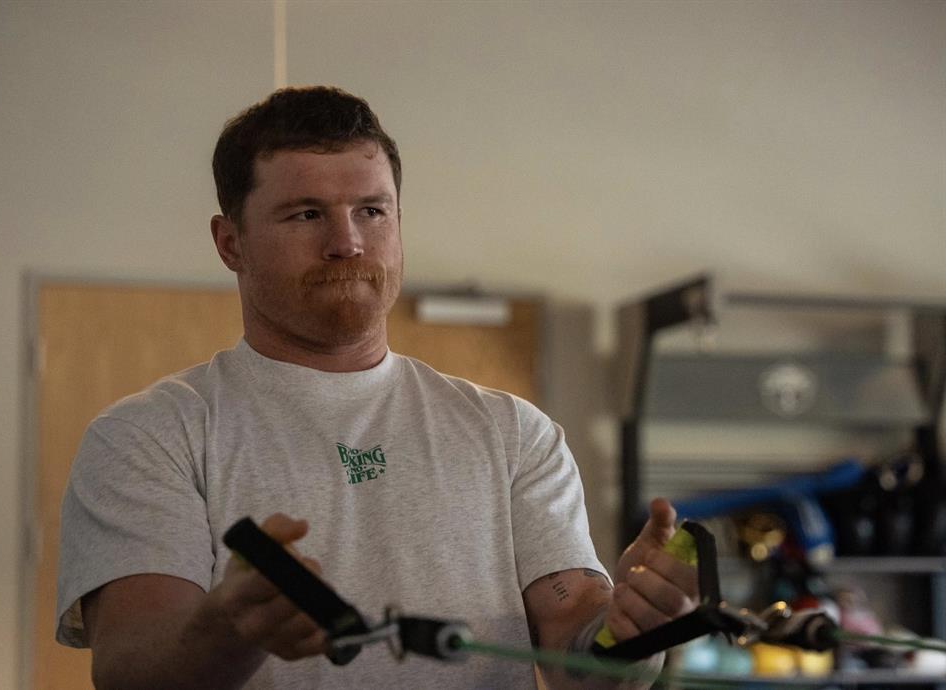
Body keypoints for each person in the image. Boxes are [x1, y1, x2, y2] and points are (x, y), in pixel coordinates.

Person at [56, 86, 698, 689]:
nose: (347, 243)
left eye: (371, 211)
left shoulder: (514, 433)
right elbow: (129, 668)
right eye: (306, 214)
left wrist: (633, 633)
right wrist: (230, 629)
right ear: (231, 244)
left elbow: (582, 661)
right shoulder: (148, 436)